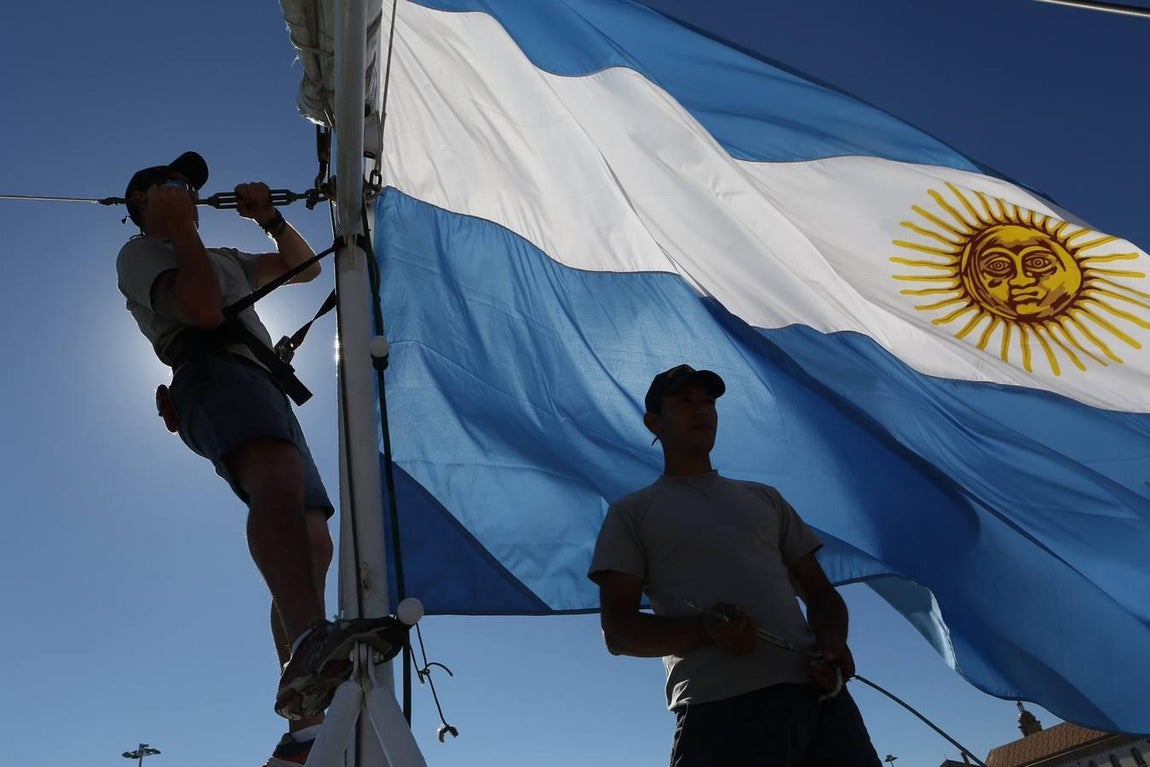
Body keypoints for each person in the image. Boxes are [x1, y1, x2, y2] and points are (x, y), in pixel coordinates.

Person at [115, 151, 404, 767]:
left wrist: (269, 220)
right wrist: (182, 228)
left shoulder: (222, 257)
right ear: (142, 203)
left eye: (188, 186)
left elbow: (301, 270)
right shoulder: (141, 254)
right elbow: (199, 309)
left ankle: (304, 724)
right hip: (212, 373)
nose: (186, 190)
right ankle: (306, 643)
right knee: (273, 481)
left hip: (261, 383)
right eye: (171, 184)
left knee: (314, 538)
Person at [588, 364, 882, 766]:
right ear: (654, 421)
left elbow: (820, 593)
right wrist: (706, 630)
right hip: (719, 711)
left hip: (821, 704)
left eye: (708, 402)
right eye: (685, 401)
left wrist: (831, 642)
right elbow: (619, 633)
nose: (702, 410)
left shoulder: (765, 498)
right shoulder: (631, 514)